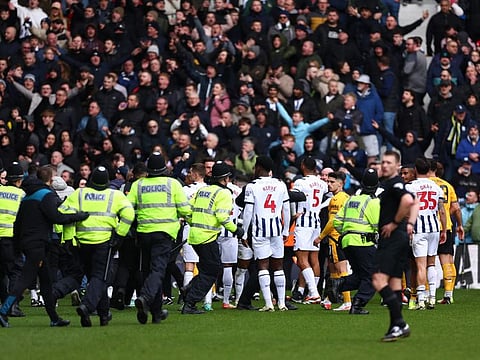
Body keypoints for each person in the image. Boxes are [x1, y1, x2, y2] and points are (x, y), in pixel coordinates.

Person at [0, 165, 89, 328]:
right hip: (38, 244)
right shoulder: (46, 195)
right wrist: (78, 216)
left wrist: (17, 245)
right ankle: (3, 311)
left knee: (47, 282)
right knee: (25, 279)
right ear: (51, 179)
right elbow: (56, 217)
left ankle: (54, 318)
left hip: (28, 242)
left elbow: (18, 222)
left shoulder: (27, 196)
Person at [60, 166, 135, 327]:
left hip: (82, 243)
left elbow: (64, 213)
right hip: (104, 243)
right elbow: (129, 214)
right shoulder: (115, 195)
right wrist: (120, 235)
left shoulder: (79, 194)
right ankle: (87, 306)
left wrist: (67, 239)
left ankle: (103, 314)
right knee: (100, 278)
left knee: (94, 279)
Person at [128, 152, 192, 323]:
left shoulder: (138, 185)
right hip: (164, 233)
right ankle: (146, 298)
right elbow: (185, 210)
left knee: (148, 272)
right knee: (158, 271)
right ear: (165, 168)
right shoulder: (173, 184)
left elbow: (128, 208)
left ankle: (156, 313)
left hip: (143, 233)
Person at [182, 162, 243, 314]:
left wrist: (194, 223)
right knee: (211, 271)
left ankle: (188, 289)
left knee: (205, 269)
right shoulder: (224, 193)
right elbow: (223, 217)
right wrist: (237, 230)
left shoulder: (203, 190)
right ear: (225, 179)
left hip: (195, 235)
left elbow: (187, 210)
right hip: (207, 237)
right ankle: (190, 302)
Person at [371, 150, 418, 342]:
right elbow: (414, 203)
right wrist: (409, 224)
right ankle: (396, 327)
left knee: (377, 279)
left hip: (391, 238)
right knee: (395, 284)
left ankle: (400, 322)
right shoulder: (397, 183)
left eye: (389, 162)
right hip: (400, 238)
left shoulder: (394, 183)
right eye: (383, 162)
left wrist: (394, 223)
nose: (385, 165)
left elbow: (408, 201)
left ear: (397, 166)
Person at [241, 156, 291, 312]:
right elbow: (287, 209)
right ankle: (282, 303)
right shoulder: (280, 184)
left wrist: (243, 233)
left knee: (263, 266)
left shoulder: (252, 186)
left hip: (260, 231)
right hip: (277, 230)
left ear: (258, 167)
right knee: (278, 266)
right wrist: (286, 229)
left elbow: (248, 211)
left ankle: (269, 304)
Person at [332, 168, 380, 315]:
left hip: (346, 241)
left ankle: (337, 284)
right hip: (363, 242)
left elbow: (337, 221)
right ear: (376, 186)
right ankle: (358, 304)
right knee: (374, 276)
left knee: (360, 275)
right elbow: (378, 224)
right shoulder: (373, 202)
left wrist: (347, 232)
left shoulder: (351, 199)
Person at [405, 158, 447, 310]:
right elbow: (441, 210)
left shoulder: (410, 187)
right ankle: (433, 298)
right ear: (429, 170)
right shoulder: (436, 187)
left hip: (419, 229)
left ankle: (421, 300)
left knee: (420, 265)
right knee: (431, 264)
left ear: (415, 170)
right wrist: (443, 229)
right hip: (434, 228)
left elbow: (406, 209)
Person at [290, 157, 328, 304]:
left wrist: (294, 215)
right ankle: (307, 291)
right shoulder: (322, 184)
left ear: (303, 166)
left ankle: (314, 293)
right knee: (314, 259)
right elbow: (329, 197)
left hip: (304, 221)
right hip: (316, 222)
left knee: (301, 258)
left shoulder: (300, 182)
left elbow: (293, 199)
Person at [428, 159, 464, 304]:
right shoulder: (448, 186)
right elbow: (456, 208)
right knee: (447, 260)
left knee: (424, 262)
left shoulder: (422, 184)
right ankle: (448, 295)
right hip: (446, 226)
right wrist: (459, 225)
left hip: (427, 227)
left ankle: (423, 294)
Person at [315, 171, 351, 311]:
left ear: (340, 184)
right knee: (334, 270)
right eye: (328, 181)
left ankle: (348, 301)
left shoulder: (336, 199)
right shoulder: (346, 197)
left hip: (336, 238)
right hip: (341, 237)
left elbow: (333, 221)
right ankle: (329, 298)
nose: (328, 184)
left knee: (341, 270)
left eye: (332, 182)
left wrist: (320, 236)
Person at [0, 163, 25, 318]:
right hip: (11, 238)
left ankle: (5, 303)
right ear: (19, 180)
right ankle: (12, 305)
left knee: (1, 273)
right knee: (15, 271)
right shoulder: (22, 195)